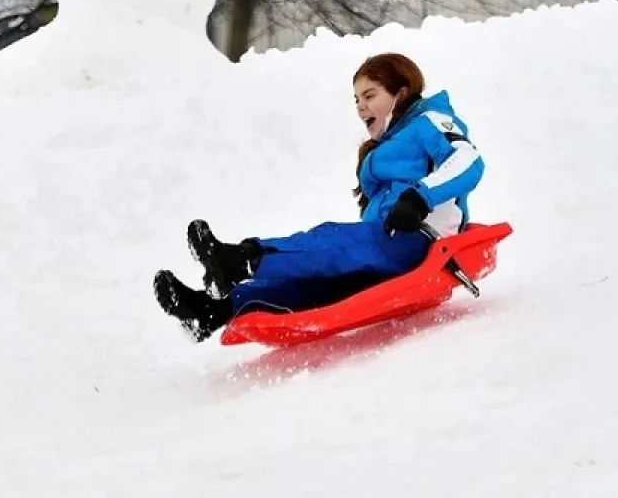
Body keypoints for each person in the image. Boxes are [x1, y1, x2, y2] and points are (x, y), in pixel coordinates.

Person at [153, 52, 486, 342]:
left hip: (420, 239)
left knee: (333, 241)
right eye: (356, 99)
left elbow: (467, 158)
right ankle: (212, 311)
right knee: (317, 282)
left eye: (370, 95)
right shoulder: (386, 145)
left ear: (400, 93)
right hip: (390, 245)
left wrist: (420, 198)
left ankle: (240, 260)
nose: (361, 106)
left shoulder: (430, 121)